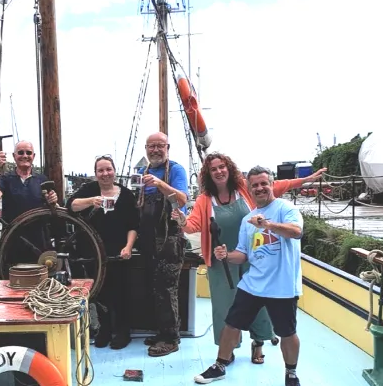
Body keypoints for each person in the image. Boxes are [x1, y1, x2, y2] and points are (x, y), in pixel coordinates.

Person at [173, 153, 325, 363]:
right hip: (222, 259)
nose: (219, 171)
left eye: (222, 167)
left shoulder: (245, 189)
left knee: (260, 304)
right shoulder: (204, 200)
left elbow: (279, 185)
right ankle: (228, 350)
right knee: (225, 307)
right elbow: (192, 225)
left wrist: (306, 179)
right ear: (207, 174)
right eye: (213, 169)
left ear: (229, 169)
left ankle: (258, 342)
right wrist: (182, 221)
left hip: (254, 257)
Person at [194, 166, 304, 386]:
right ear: (249, 189)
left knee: (287, 332)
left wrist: (268, 225)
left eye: (264, 183)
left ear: (271, 184)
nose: (259, 188)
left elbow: (296, 232)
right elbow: (243, 255)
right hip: (253, 283)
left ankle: (291, 374)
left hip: (282, 285)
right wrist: (226, 255)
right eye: (254, 185)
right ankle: (220, 365)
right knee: (231, 324)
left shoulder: (286, 208)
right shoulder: (247, 220)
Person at [67, 155, 139, 349]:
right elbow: (71, 205)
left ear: (114, 171)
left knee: (121, 293)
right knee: (99, 293)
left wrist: (128, 247)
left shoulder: (126, 195)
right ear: (96, 173)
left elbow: (133, 225)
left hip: (118, 253)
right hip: (93, 254)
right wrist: (92, 201)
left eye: (108, 169)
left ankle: (123, 332)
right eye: (101, 170)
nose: (105, 173)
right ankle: (105, 330)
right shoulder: (89, 190)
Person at [135, 132, 188, 357]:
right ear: (146, 149)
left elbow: (182, 199)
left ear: (168, 148)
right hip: (148, 239)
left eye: (160, 146)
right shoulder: (141, 172)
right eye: (151, 146)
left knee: (167, 289)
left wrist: (159, 184)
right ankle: (161, 332)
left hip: (169, 238)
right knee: (154, 288)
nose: (155, 150)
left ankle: (171, 338)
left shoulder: (176, 170)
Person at [0, 140, 58, 223]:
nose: (25, 156)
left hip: (38, 230)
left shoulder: (43, 180)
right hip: (13, 230)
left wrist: (52, 200)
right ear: (14, 156)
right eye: (21, 152)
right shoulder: (5, 179)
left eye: (29, 153)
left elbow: (52, 204)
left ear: (33, 156)